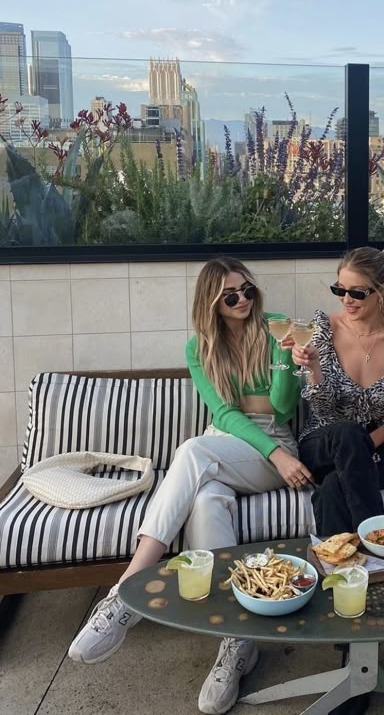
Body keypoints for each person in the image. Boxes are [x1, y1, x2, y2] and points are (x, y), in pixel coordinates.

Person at [68, 256, 311, 715]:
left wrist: (285, 363)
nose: (243, 300)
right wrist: (251, 432)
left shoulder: (278, 326)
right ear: (212, 305)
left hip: (271, 446)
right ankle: (237, 643)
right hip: (225, 448)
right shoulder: (198, 348)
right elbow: (222, 416)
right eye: (231, 296)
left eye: (248, 290)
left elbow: (280, 408)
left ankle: (126, 592)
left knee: (192, 452)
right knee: (205, 498)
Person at [291, 246, 384, 535]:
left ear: (383, 290)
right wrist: (314, 369)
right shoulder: (325, 326)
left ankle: (336, 567)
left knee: (333, 487)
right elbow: (324, 411)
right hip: (322, 442)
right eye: (340, 290)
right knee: (348, 432)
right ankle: (378, 543)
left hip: (381, 451)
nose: (347, 300)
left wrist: (366, 445)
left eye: (358, 293)